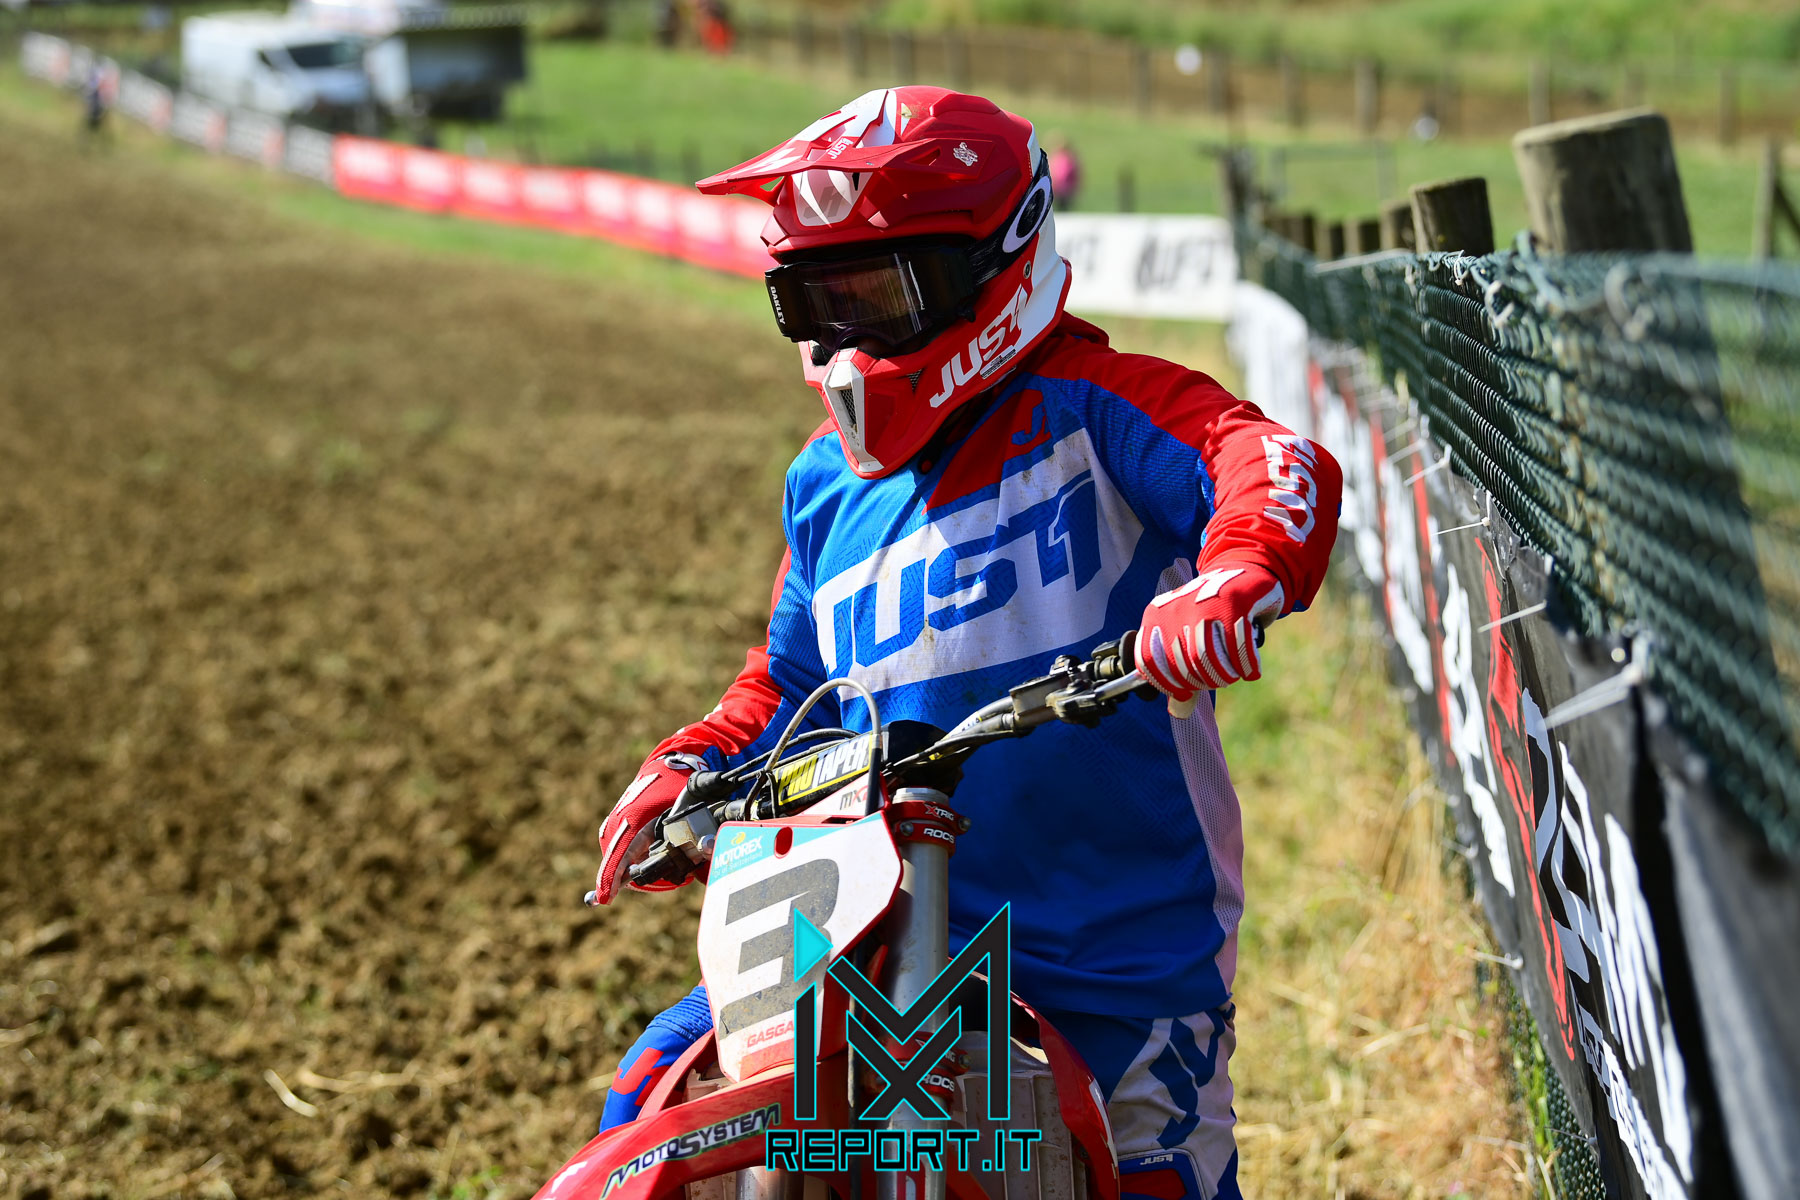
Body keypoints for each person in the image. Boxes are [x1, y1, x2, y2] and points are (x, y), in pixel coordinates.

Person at [592, 86, 1341, 1200]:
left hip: (1107, 960)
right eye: (815, 302)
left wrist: (1235, 574)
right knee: (662, 1088)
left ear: (994, 264)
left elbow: (1268, 460)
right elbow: (792, 681)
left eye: (876, 296)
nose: (846, 341)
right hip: (876, 933)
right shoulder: (823, 485)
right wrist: (692, 759)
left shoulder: (1098, 408)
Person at [1048, 134, 1081, 211]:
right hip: (1058, 189)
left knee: (1061, 210)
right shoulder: (1058, 157)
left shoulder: (1065, 158)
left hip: (1062, 189)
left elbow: (1063, 175)